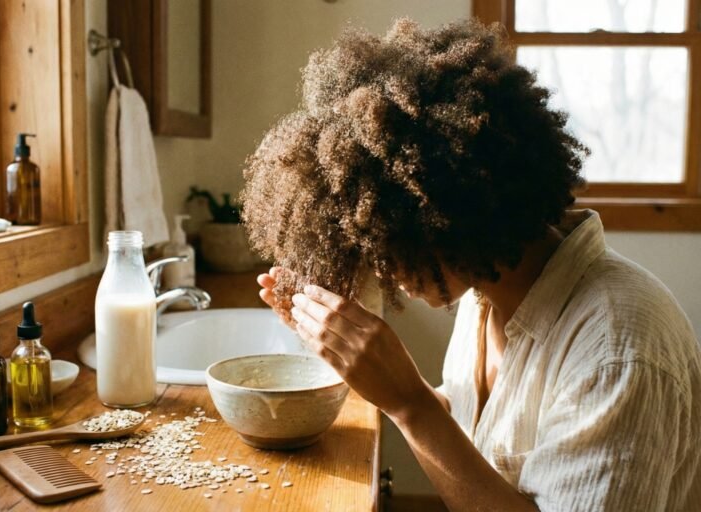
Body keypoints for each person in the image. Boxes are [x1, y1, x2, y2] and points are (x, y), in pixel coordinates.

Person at [240, 18, 701, 512]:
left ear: (451, 210)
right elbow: (469, 435)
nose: (384, 270)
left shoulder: (618, 351)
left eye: (390, 243)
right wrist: (365, 370)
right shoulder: (484, 291)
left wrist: (409, 403)